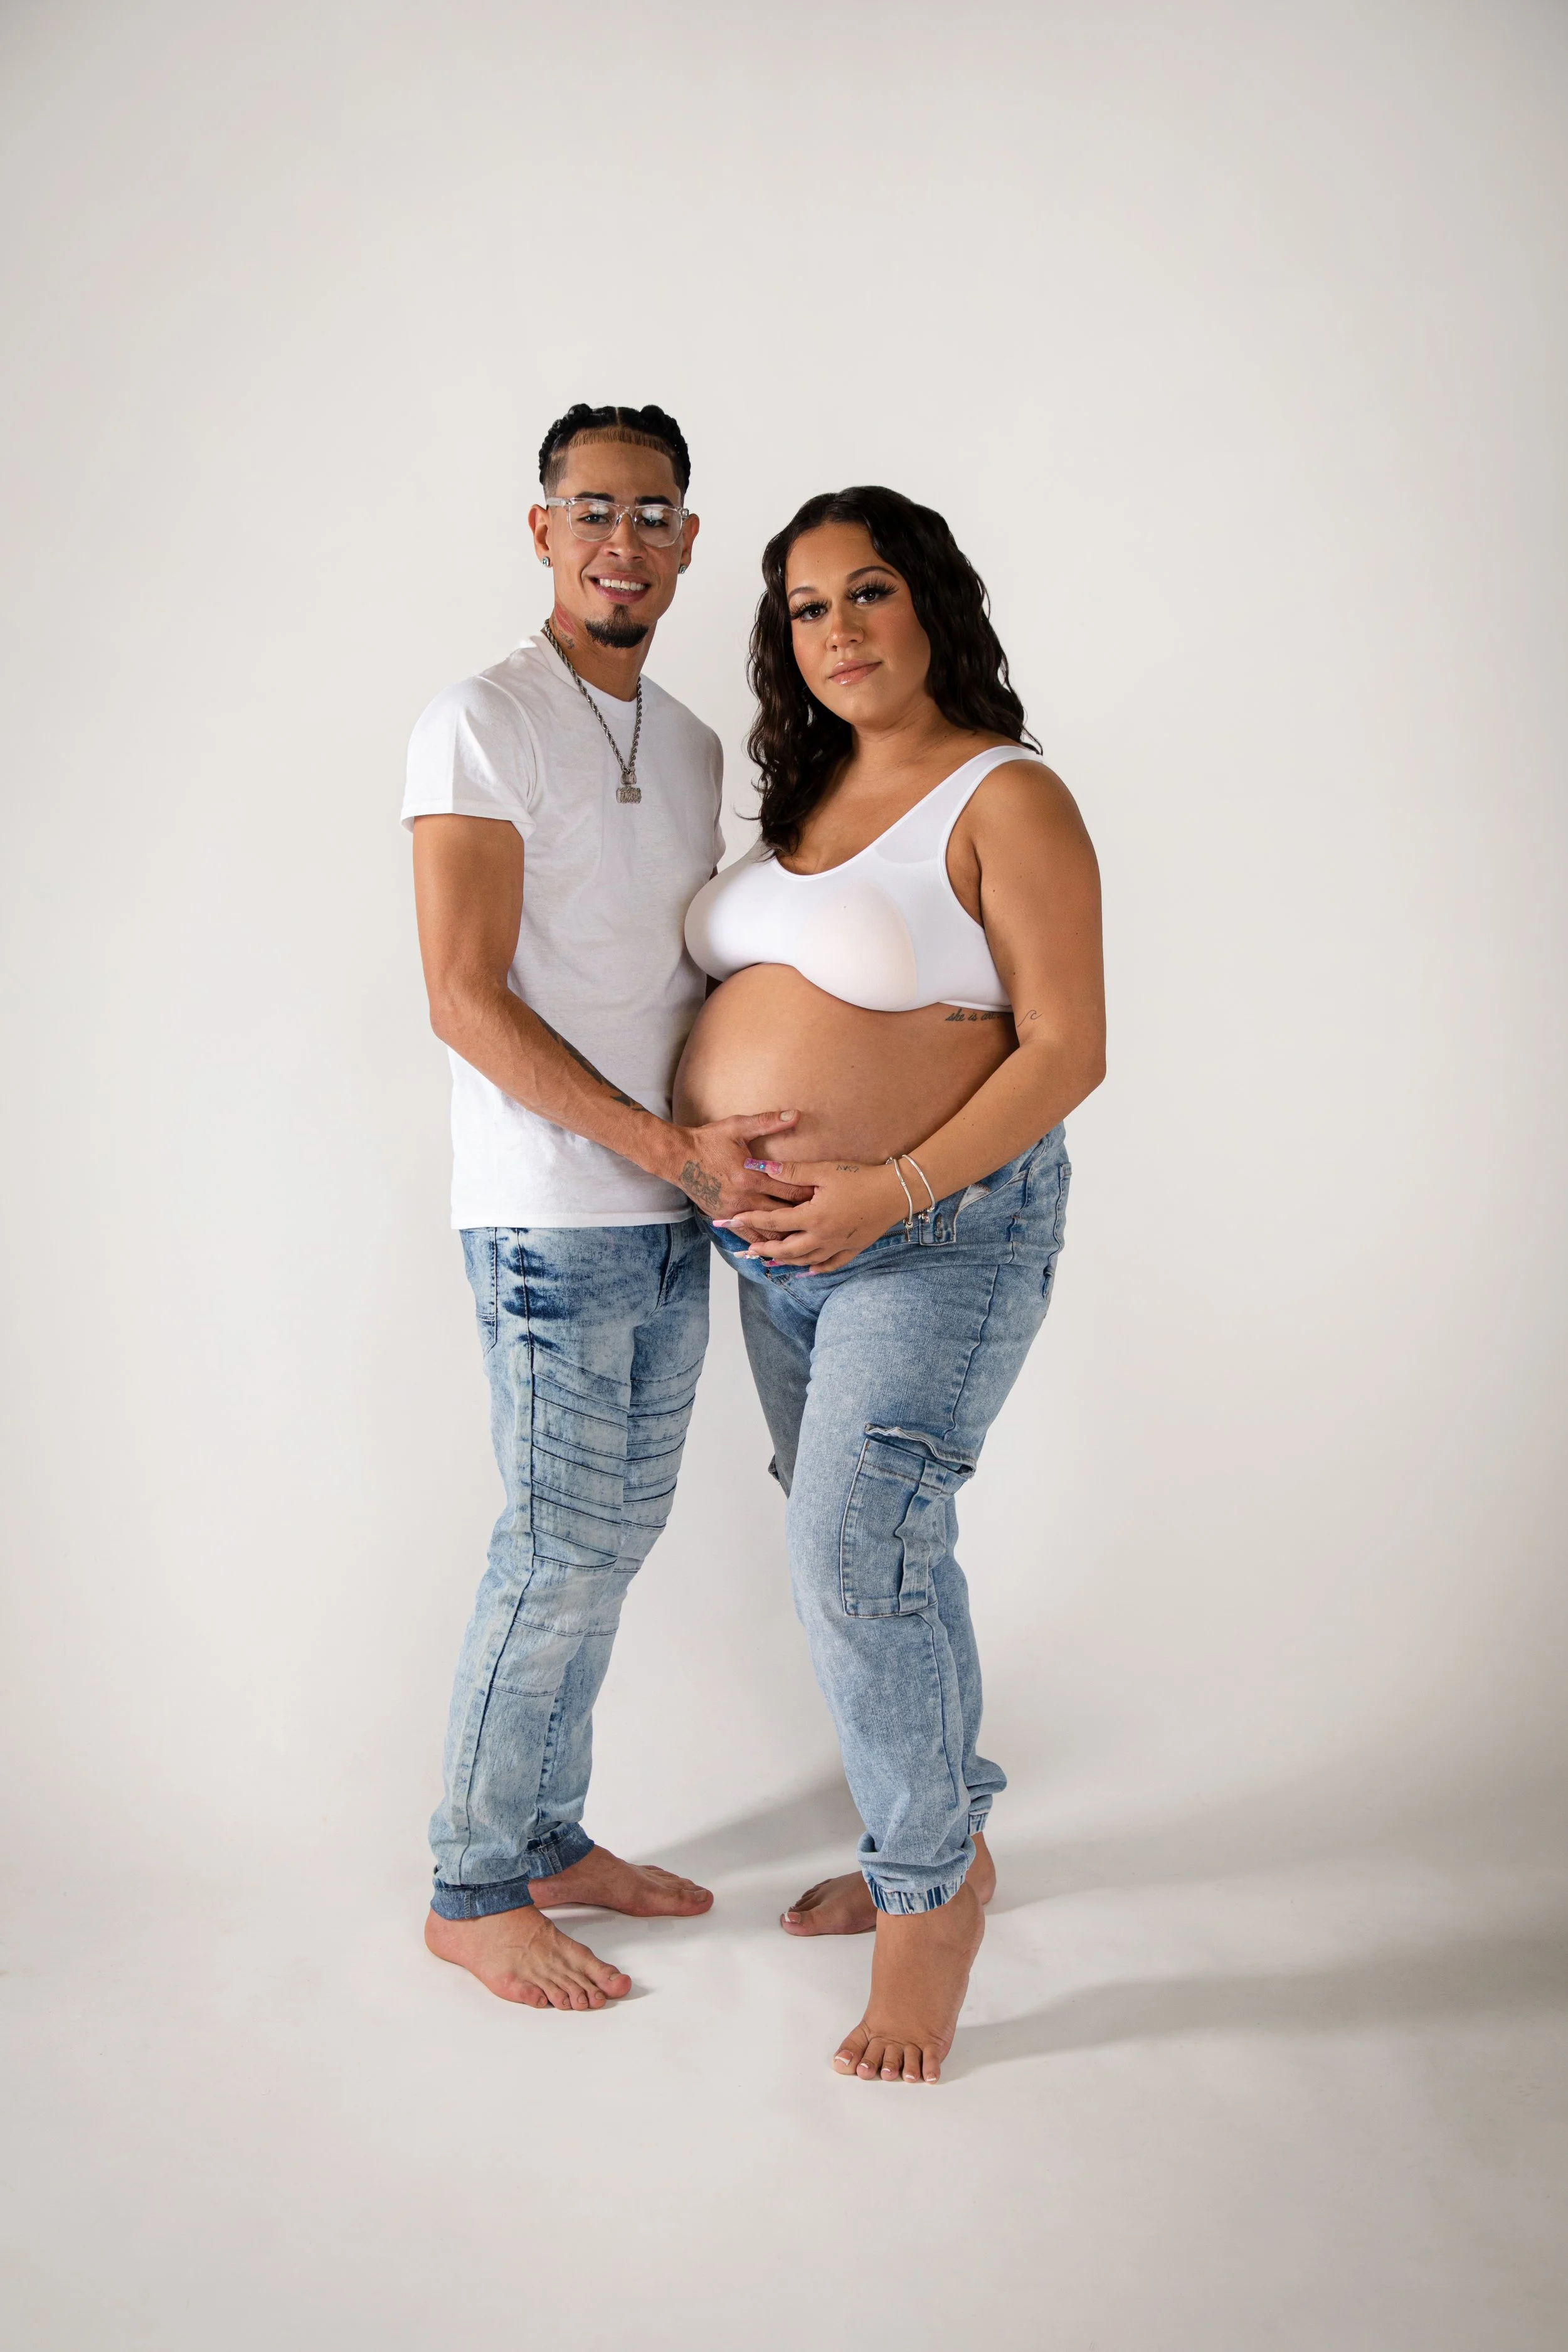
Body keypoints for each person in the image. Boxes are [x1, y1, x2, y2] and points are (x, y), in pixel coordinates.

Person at [678, 485, 1106, 2082]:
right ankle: (935, 1833)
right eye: (805, 606)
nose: (839, 629)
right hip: (778, 1248)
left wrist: (892, 1185)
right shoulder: (802, 799)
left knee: (854, 1542)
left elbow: (1070, 1046)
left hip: (942, 1231)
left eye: (867, 593)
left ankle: (928, 1901)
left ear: (928, 605)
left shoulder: (1004, 795)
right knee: (870, 1545)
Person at [403, 402, 805, 2011]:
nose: (620, 540)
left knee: (609, 1542)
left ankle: (551, 1839)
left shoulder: (695, 737)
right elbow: (461, 995)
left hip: (669, 1210)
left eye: (651, 513)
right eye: (591, 510)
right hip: (553, 1210)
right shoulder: (478, 718)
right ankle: (470, 1881)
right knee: (555, 1543)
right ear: (540, 529)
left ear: (689, 540)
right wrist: (660, 1148)